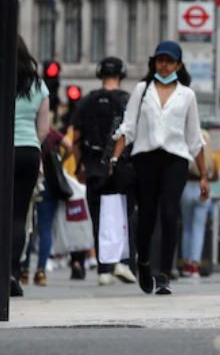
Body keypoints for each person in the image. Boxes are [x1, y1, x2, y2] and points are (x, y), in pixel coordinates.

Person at [110, 41, 210, 295]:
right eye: (160, 60)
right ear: (154, 62)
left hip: (175, 160)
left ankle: (164, 272)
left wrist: (204, 177)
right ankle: (143, 263)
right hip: (145, 157)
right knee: (146, 216)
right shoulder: (142, 89)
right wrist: (114, 159)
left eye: (170, 61)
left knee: (169, 214)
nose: (164, 65)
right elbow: (127, 127)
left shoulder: (187, 95)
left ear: (178, 65)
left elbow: (194, 138)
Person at [69, 56, 138, 285]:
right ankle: (124, 262)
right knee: (124, 215)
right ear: (122, 74)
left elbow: (76, 139)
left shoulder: (87, 101)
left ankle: (103, 269)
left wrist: (80, 165)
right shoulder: (128, 101)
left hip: (93, 167)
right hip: (121, 167)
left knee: (98, 218)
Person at [9, 36, 51, 298]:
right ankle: (13, 272)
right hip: (29, 152)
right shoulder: (39, 85)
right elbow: (44, 129)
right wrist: (32, 142)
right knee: (19, 216)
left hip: (5, 151)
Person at [21, 125, 72, 287]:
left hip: (30, 181)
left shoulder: (25, 130)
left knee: (27, 227)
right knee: (45, 229)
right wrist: (60, 162)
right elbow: (69, 145)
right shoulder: (49, 132)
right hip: (49, 184)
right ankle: (41, 271)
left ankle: (24, 270)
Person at [179, 129, 218, 277]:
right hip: (204, 188)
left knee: (187, 227)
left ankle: (187, 263)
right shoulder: (210, 157)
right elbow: (215, 175)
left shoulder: (187, 153)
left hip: (187, 187)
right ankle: (195, 263)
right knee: (199, 228)